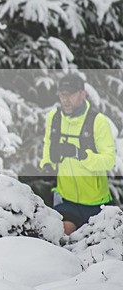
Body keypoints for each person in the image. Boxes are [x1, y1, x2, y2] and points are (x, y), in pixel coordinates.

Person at [40, 74, 116, 234]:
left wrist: (81, 155)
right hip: (66, 199)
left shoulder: (98, 121)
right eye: (62, 94)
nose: (66, 99)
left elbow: (109, 160)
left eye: (71, 94)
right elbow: (48, 145)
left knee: (98, 250)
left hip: (96, 203)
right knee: (61, 237)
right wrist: (47, 164)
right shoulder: (54, 118)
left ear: (83, 94)